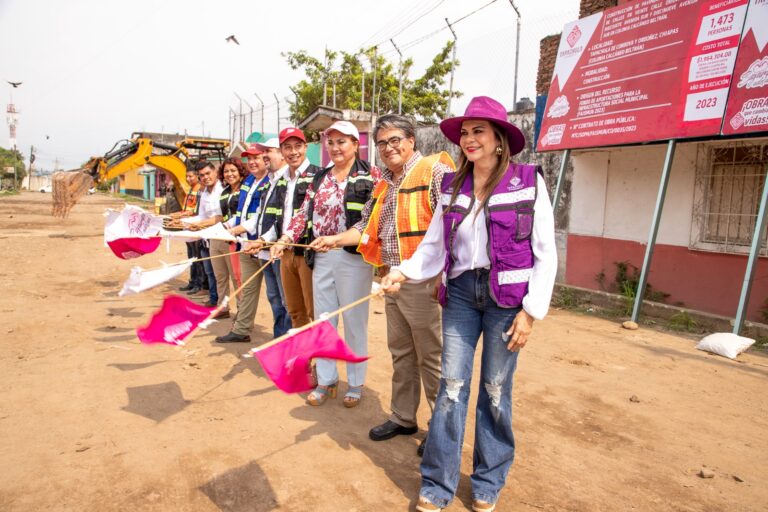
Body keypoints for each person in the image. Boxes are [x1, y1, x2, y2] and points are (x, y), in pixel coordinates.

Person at [380, 96, 558, 512]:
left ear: (499, 139)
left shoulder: (529, 181)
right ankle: (438, 482)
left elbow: (545, 252)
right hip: (460, 294)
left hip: (507, 303)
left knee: (496, 390)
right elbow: (434, 244)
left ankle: (488, 479)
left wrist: (531, 312)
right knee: (452, 389)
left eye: (479, 131)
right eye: (465, 132)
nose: (469, 139)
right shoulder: (452, 185)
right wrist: (403, 271)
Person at [311, 114, 455, 455]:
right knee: (402, 353)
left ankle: (441, 429)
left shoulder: (434, 171)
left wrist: (444, 276)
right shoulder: (384, 184)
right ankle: (404, 417)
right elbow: (363, 228)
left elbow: (454, 224)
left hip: (424, 281)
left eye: (395, 141)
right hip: (392, 278)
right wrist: (333, 239)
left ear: (411, 141)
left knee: (431, 357)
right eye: (382, 143)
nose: (389, 148)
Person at [271, 121, 380, 407]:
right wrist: (285, 239)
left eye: (342, 141)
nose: (335, 148)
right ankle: (326, 380)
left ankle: (355, 383)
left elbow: (373, 220)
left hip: (353, 259)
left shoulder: (371, 176)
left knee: (354, 322)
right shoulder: (320, 178)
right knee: (324, 321)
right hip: (319, 257)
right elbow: (303, 213)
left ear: (356, 144)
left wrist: (339, 239)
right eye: (331, 142)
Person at [246, 127, 321, 332]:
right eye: (287, 147)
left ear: (306, 147)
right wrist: (262, 240)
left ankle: (318, 361)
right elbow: (277, 219)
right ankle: (301, 359)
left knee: (313, 310)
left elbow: (310, 217)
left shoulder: (318, 176)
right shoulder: (281, 181)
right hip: (284, 254)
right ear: (281, 150)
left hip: (307, 254)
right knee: (294, 311)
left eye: (298, 146)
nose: (293, 152)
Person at [214, 144, 271, 343]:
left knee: (276, 296)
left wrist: (237, 229)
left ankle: (283, 336)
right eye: (249, 158)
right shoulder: (248, 182)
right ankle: (241, 329)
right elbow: (241, 213)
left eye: (257, 157)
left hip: (266, 245)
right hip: (246, 246)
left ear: (267, 158)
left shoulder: (270, 182)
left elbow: (259, 216)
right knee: (247, 288)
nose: (253, 162)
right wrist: (226, 226)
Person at [206, 157, 247, 318]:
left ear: (240, 172)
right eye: (226, 171)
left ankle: (242, 310)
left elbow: (240, 216)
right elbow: (221, 217)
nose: (229, 174)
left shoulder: (245, 190)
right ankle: (222, 307)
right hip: (220, 236)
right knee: (220, 275)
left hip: (236, 238)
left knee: (237, 277)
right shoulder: (224, 193)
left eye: (233, 171)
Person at [186, 161, 223, 307]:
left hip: (220, 237)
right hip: (205, 238)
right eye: (202, 175)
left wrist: (198, 224)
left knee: (220, 275)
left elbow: (221, 217)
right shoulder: (204, 193)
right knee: (209, 271)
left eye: (208, 173)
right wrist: (185, 223)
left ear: (215, 172)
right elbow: (201, 216)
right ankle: (213, 299)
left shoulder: (223, 190)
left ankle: (221, 303)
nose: (206, 177)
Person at [174, 166, 204, 294]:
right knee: (190, 256)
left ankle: (199, 284)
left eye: (191, 176)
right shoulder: (190, 190)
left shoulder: (200, 191)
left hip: (195, 227)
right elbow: (187, 209)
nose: (188, 179)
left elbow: (195, 211)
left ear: (197, 176)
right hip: (187, 227)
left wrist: (181, 215)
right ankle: (192, 282)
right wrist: (178, 215)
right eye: (187, 176)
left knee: (197, 258)